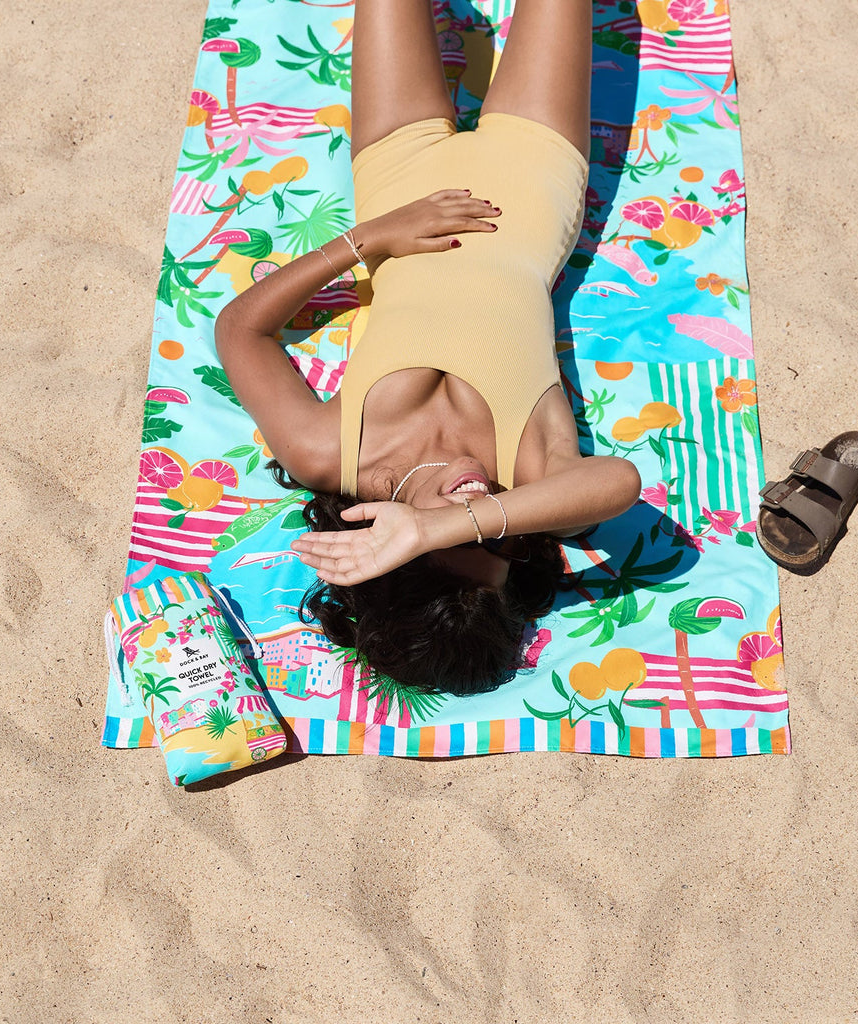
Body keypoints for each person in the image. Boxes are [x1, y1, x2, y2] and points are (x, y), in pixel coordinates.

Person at [214, 0, 641, 695]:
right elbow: (619, 485)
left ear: (395, 543)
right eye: (494, 539)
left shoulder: (331, 452)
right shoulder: (531, 476)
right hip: (533, 178)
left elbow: (239, 330)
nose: (478, 511)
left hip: (396, 179)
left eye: (455, 537)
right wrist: (444, 528)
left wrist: (369, 238)